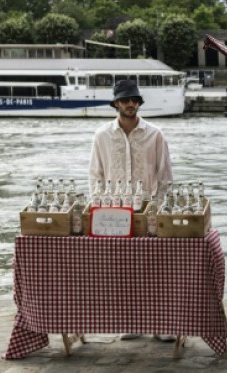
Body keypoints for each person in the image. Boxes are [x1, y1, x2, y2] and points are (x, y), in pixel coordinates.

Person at [89, 79, 175, 343]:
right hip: (114, 211)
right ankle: (133, 322)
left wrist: (159, 209)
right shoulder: (101, 136)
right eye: (125, 100)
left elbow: (165, 176)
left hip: (150, 209)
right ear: (116, 103)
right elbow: (95, 176)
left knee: (156, 268)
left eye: (135, 100)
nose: (130, 104)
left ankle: (162, 324)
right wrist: (98, 210)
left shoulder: (155, 134)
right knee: (123, 270)